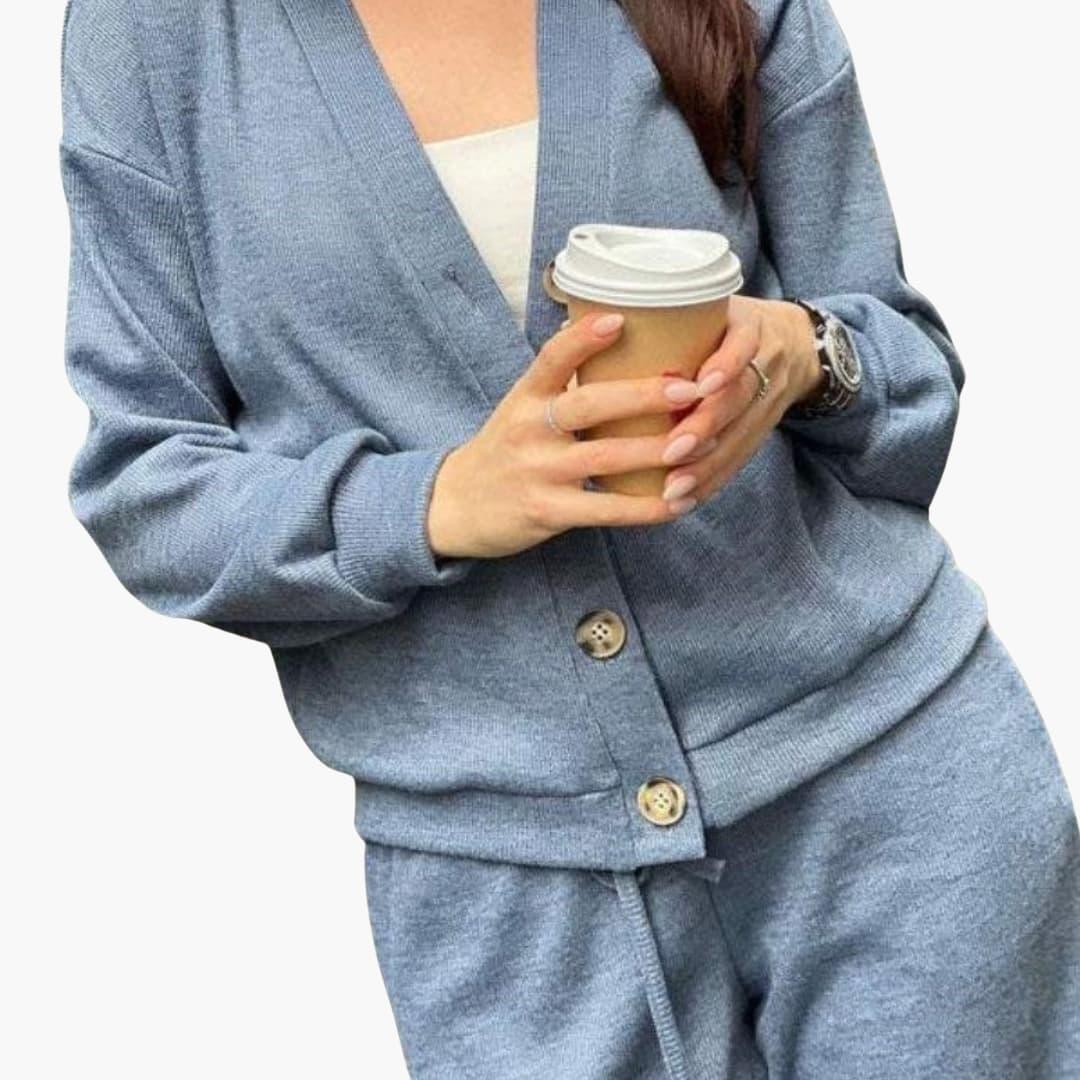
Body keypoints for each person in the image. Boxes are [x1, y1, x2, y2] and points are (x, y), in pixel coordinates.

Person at [59, 0, 1079, 1075]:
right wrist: (430, 504)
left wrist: (802, 354)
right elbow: (147, 489)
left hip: (900, 794)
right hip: (508, 900)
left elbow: (911, 374)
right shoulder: (155, 33)